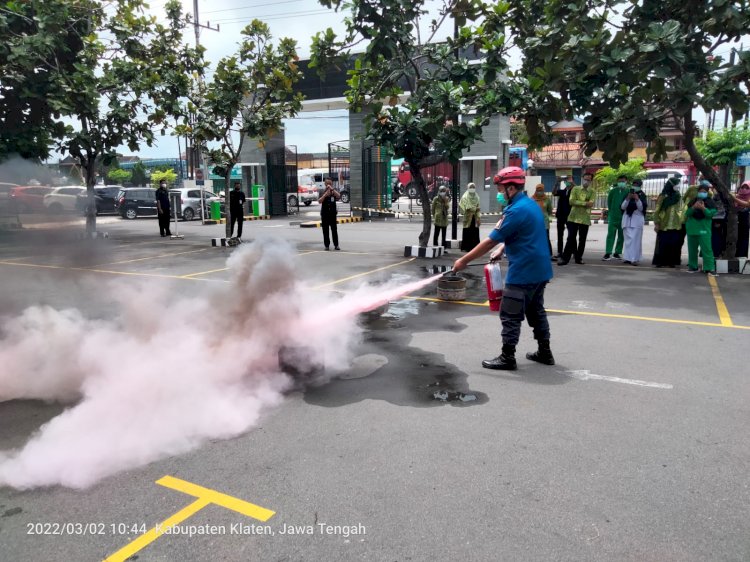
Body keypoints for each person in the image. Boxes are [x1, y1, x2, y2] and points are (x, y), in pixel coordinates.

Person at [452, 166, 554, 371]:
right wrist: (503, 248)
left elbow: (489, 241)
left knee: (510, 313)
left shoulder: (515, 210)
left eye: (500, 189)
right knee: (536, 311)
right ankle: (545, 351)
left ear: (511, 188)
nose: (499, 193)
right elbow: (521, 232)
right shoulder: (530, 204)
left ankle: (508, 357)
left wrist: (464, 260)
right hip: (540, 269)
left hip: (524, 270)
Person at [558, 172, 596, 265]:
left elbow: (591, 203)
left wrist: (579, 202)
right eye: (585, 179)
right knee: (571, 237)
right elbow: (571, 201)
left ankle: (579, 258)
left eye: (588, 179)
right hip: (573, 217)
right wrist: (585, 203)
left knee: (582, 239)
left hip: (585, 218)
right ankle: (565, 259)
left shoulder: (592, 191)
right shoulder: (575, 188)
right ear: (582, 178)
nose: (586, 181)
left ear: (591, 180)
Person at [685, 183, 717, 275]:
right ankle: (693, 266)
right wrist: (694, 207)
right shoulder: (692, 202)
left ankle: (709, 268)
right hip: (692, 229)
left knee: (707, 249)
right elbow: (687, 214)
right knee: (692, 250)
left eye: (704, 192)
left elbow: (710, 215)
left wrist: (703, 208)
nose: (702, 193)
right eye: (700, 191)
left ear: (707, 193)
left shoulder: (711, 203)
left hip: (704, 230)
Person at [652, 177, 685, 267]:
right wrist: (657, 222)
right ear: (671, 185)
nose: (678, 186)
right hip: (664, 223)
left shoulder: (678, 195)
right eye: (676, 184)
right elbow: (657, 209)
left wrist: (681, 219)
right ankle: (661, 262)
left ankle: (671, 262)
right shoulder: (663, 196)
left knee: (673, 244)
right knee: (663, 243)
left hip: (675, 224)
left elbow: (680, 208)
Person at [620, 179, 647, 265]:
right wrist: (628, 198)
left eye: (637, 185)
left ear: (640, 186)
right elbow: (622, 207)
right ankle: (627, 258)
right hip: (627, 219)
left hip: (637, 220)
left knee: (635, 241)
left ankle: (634, 259)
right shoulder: (627, 194)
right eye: (634, 184)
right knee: (628, 240)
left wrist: (637, 199)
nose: (635, 186)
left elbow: (641, 208)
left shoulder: (642, 195)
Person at [602, 174, 629, 260]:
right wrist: (611, 213)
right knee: (610, 235)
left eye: (623, 181)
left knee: (621, 236)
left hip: (623, 217)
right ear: (617, 182)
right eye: (620, 181)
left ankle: (617, 252)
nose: (621, 183)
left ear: (626, 182)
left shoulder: (628, 191)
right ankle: (608, 252)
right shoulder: (613, 191)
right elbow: (609, 203)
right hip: (613, 216)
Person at [552, 176, 573, 258]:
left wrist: (571, 182)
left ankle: (573, 252)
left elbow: (576, 187)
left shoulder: (574, 191)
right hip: (560, 215)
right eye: (566, 181)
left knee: (571, 234)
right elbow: (553, 192)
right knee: (560, 234)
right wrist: (557, 182)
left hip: (570, 215)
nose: (567, 182)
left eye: (568, 180)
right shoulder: (562, 191)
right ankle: (559, 252)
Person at [531, 183, 554, 258]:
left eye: (541, 190)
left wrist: (549, 217)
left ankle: (549, 254)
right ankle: (536, 254)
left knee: (546, 238)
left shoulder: (547, 199)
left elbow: (550, 210)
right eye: (538, 190)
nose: (539, 192)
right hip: (535, 221)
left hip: (545, 221)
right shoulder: (532, 199)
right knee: (535, 238)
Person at [318, 178, 341, 250]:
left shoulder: (333, 191)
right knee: (325, 230)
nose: (329, 185)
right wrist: (325, 195)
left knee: (334, 230)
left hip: (332, 214)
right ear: (325, 184)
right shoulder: (322, 191)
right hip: (325, 214)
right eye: (327, 184)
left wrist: (332, 189)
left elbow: (339, 196)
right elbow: (319, 201)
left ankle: (336, 245)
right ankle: (327, 245)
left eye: (330, 184)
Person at [730, 180, 750, 257]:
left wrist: (735, 199)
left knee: (743, 238)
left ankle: (742, 255)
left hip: (745, 220)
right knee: (735, 237)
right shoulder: (737, 195)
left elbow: (747, 204)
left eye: (747, 188)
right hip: (735, 220)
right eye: (743, 187)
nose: (744, 189)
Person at [459, 182, 481, 251]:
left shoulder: (476, 196)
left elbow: (478, 208)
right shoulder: (465, 197)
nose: (472, 189)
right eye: (471, 187)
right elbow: (467, 207)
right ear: (468, 188)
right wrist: (475, 208)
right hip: (468, 217)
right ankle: (467, 247)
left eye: (473, 187)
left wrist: (479, 217)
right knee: (467, 231)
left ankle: (475, 247)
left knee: (475, 231)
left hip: (475, 217)